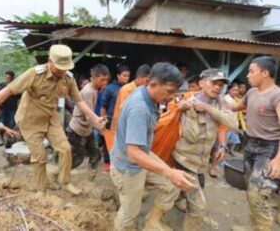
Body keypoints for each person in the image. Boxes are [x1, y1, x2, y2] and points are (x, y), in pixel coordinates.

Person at [0, 44, 106, 195]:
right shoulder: (34, 74)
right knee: (39, 157)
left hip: (51, 119)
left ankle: (65, 182)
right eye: (59, 67)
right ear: (50, 61)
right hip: (30, 120)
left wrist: (95, 118)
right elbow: (8, 91)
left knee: (65, 149)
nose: (62, 71)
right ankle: (41, 191)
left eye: (65, 67)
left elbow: (79, 101)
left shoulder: (67, 78)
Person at [110, 62, 197, 231]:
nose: (172, 97)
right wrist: (169, 171)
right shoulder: (140, 108)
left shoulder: (146, 94)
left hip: (141, 154)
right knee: (129, 215)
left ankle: (152, 223)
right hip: (129, 166)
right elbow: (134, 154)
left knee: (172, 185)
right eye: (170, 92)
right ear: (153, 84)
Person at [157, 68, 238, 231]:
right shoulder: (186, 99)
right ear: (201, 83)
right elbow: (169, 118)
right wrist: (182, 108)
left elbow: (231, 124)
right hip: (183, 160)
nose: (217, 87)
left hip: (201, 162)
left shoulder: (221, 103)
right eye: (214, 83)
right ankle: (158, 221)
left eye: (221, 85)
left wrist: (220, 145)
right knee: (198, 207)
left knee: (179, 191)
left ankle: (169, 208)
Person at [231, 56, 280, 231]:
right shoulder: (251, 93)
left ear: (265, 73)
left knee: (258, 193)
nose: (248, 76)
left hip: (269, 149)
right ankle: (255, 227)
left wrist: (278, 160)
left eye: (252, 72)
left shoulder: (276, 95)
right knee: (251, 190)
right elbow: (235, 107)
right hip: (250, 145)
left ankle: (263, 227)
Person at [67, 64, 110, 180]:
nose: (105, 82)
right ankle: (60, 175)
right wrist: (101, 128)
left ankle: (91, 181)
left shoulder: (95, 90)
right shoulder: (88, 92)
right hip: (77, 130)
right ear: (94, 78)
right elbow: (88, 116)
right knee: (76, 160)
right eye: (102, 79)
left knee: (95, 155)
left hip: (87, 130)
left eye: (106, 80)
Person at [101, 64, 130, 170]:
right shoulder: (110, 88)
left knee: (122, 141)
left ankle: (119, 162)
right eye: (124, 75)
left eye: (128, 76)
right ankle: (107, 161)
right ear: (118, 76)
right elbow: (103, 106)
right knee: (108, 141)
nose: (126, 78)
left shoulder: (129, 88)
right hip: (110, 118)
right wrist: (102, 119)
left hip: (124, 120)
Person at [110, 64, 151, 132]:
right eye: (147, 81)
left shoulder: (143, 90)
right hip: (121, 129)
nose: (147, 84)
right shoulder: (127, 89)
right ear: (139, 77)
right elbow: (122, 111)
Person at [0, 70, 20, 146]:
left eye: (10, 78)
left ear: (13, 78)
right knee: (1, 124)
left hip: (13, 109)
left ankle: (9, 139)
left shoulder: (17, 86)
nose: (8, 79)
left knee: (12, 124)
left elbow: (20, 98)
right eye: (7, 77)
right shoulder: (1, 85)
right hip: (2, 109)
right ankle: (1, 139)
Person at [224, 82, 241, 155]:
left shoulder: (234, 99)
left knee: (233, 141)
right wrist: (235, 127)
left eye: (237, 90)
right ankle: (220, 162)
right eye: (233, 90)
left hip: (232, 125)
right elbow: (228, 115)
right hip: (227, 125)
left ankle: (229, 152)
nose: (236, 92)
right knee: (223, 144)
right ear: (229, 90)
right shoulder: (227, 99)